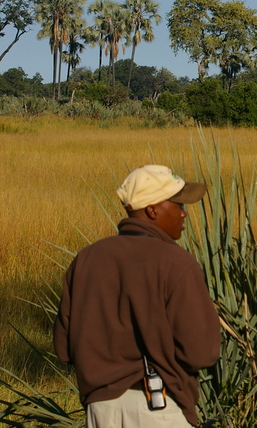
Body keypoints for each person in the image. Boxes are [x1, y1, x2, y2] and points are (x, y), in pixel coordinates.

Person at [54, 165, 221, 427]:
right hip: (158, 407)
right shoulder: (176, 263)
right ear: (152, 210)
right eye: (177, 204)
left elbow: (64, 350)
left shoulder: (86, 259)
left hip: (100, 410)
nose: (183, 213)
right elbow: (202, 353)